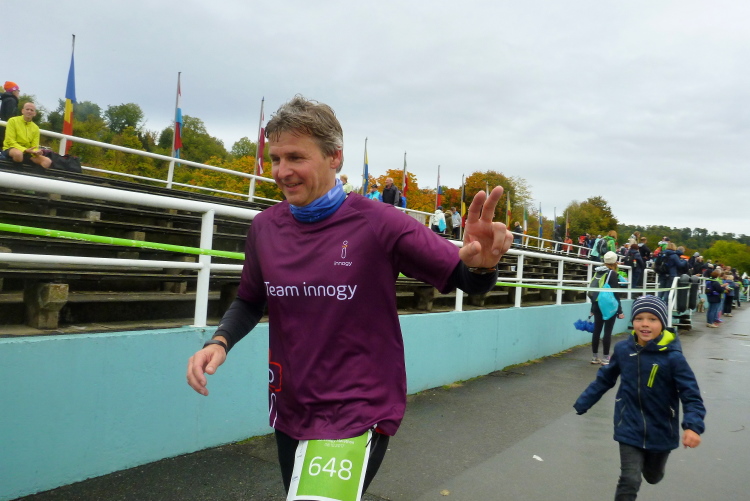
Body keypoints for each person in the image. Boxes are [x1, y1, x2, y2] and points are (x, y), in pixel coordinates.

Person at [185, 95, 513, 497]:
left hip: (358, 408)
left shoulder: (381, 223)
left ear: (335, 157)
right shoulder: (264, 228)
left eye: (296, 157)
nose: (282, 171)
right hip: (290, 406)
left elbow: (465, 277)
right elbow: (250, 299)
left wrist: (483, 266)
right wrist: (219, 341)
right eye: (275, 159)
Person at [574, 295, 705, 500]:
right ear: (632, 321)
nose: (645, 324)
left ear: (662, 323)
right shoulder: (623, 350)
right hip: (628, 423)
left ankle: (653, 468)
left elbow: (691, 394)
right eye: (639, 318)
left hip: (661, 428)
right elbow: (605, 378)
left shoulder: (673, 358)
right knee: (630, 479)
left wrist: (693, 426)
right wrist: (584, 401)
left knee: (653, 476)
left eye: (652, 319)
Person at [588, 251, 624, 365]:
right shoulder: (612, 273)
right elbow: (615, 293)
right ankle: (605, 358)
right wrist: (620, 311)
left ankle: (594, 357)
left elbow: (594, 291)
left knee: (597, 331)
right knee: (607, 332)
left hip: (597, 304)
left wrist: (592, 308)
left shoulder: (598, 271)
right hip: (608, 306)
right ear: (615, 261)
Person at [1, 102, 52, 169]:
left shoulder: (36, 128)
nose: (29, 111)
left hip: (28, 152)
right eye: (27, 109)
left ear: (34, 113)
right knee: (18, 154)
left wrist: (36, 151)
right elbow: (10, 141)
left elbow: (34, 146)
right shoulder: (12, 121)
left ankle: (33, 175)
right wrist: (25, 150)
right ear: (22, 111)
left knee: (47, 161)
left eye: (31, 110)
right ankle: (19, 173)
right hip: (11, 149)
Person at [0, 81, 20, 147]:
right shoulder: (11, 100)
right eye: (18, 90)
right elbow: (10, 116)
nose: (19, 93)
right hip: (6, 130)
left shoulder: (5, 99)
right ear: (13, 91)